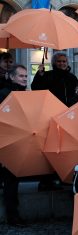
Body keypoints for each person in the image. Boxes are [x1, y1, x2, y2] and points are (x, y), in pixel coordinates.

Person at [0, 65, 27, 226]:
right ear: (11, 77)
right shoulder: (3, 95)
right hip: (5, 142)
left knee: (12, 181)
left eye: (25, 76)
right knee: (10, 180)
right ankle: (12, 216)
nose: (24, 78)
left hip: (17, 142)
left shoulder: (24, 95)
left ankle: (13, 215)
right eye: (21, 76)